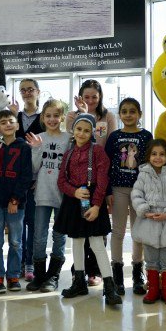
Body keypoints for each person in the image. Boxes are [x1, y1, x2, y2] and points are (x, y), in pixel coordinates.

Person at [54, 113, 121, 305]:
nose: (82, 133)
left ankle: (109, 287)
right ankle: (79, 282)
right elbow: (61, 181)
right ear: (73, 131)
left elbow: (102, 179)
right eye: (78, 129)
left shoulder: (98, 151)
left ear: (92, 132)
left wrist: (97, 205)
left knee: (97, 244)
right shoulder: (68, 153)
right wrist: (74, 192)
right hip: (74, 200)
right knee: (76, 242)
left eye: (86, 130)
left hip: (93, 200)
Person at [66, 79, 118, 286]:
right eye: (86, 97)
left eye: (94, 97)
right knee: (79, 225)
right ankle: (78, 270)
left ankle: (95, 270)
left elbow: (112, 144)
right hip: (78, 180)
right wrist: (80, 113)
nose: (90, 100)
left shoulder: (108, 116)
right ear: (80, 97)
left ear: (100, 97)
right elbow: (71, 142)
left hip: (100, 176)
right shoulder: (72, 116)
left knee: (97, 226)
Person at [105, 97, 152, 295]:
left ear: (139, 114)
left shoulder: (147, 136)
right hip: (118, 188)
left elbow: (152, 164)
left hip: (140, 190)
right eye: (124, 111)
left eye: (132, 111)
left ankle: (137, 272)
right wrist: (107, 191)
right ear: (120, 115)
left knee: (138, 232)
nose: (128, 114)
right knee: (117, 232)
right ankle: (116, 272)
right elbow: (105, 165)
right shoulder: (114, 137)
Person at [131, 139, 166, 306]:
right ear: (149, 156)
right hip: (148, 220)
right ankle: (153, 288)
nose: (157, 157)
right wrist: (144, 209)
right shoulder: (143, 173)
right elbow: (136, 193)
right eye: (154, 154)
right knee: (151, 258)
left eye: (162, 154)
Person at [25, 99, 71, 292]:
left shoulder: (69, 138)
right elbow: (34, 168)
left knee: (59, 236)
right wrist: (36, 148)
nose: (52, 119)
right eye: (48, 115)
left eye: (56, 115)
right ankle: (39, 275)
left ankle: (53, 276)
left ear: (62, 117)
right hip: (42, 193)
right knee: (39, 236)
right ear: (43, 117)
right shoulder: (39, 138)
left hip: (63, 195)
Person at [0, 110, 32, 293]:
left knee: (15, 241)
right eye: (3, 122)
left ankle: (13, 276)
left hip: (16, 203)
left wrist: (15, 199)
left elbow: (26, 176)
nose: (7, 124)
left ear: (17, 125)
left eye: (10, 121)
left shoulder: (24, 147)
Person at [10, 79, 43, 282]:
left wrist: (39, 178)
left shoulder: (44, 118)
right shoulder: (15, 117)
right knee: (17, 224)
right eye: (23, 90)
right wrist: (12, 115)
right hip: (17, 181)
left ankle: (30, 261)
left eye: (30, 89)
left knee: (33, 223)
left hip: (37, 181)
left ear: (38, 92)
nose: (27, 93)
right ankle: (19, 262)